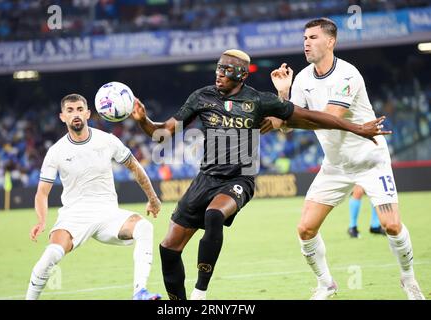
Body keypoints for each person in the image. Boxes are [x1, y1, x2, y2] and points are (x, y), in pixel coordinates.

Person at [130, 49, 388, 300]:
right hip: (205, 178)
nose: (219, 74)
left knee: (214, 214)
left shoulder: (259, 101)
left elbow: (311, 116)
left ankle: (200, 291)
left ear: (241, 75)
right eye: (218, 68)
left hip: (239, 179)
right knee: (168, 249)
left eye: (226, 69)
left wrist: (357, 128)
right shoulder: (201, 97)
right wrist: (143, 120)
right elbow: (161, 133)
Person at [264, 18, 425, 300]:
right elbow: (287, 126)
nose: (306, 43)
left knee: (392, 225)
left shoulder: (348, 75)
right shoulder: (302, 79)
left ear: (330, 42)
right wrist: (282, 95)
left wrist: (286, 112)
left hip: (370, 159)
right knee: (305, 228)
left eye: (313, 37)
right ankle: (326, 284)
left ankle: (409, 281)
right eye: (304, 38)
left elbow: (328, 119)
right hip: (335, 165)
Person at [25, 94, 162, 300]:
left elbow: (135, 166)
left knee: (144, 227)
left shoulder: (106, 140)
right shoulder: (56, 152)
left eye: (80, 109)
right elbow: (42, 192)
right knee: (51, 255)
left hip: (108, 214)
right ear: (62, 117)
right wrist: (41, 220)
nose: (75, 114)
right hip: (74, 216)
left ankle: (139, 292)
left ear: (88, 113)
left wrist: (153, 198)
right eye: (70, 111)